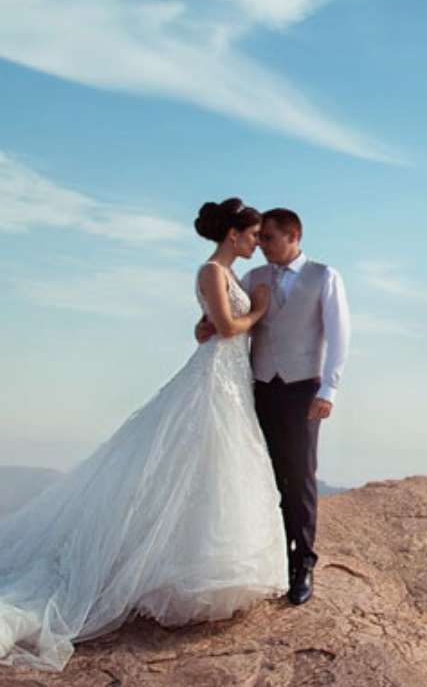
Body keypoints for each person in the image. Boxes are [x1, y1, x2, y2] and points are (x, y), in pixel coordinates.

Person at [0, 199, 288, 672]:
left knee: (218, 465)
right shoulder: (213, 271)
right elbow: (227, 326)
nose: (257, 242)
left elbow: (206, 330)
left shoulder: (229, 275)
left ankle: (202, 565)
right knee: (203, 457)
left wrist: (219, 323)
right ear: (233, 234)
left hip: (231, 377)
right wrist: (256, 312)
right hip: (215, 378)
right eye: (253, 234)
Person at [196, 208, 350, 606]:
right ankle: (272, 560)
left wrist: (328, 391)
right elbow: (222, 319)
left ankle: (303, 564)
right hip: (257, 387)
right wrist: (205, 324)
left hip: (302, 389)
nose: (261, 245)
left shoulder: (324, 276)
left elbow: (339, 338)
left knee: (299, 477)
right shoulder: (253, 277)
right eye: (259, 238)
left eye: (269, 238)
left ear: (293, 236)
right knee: (259, 474)